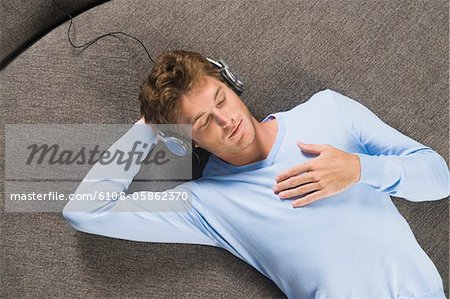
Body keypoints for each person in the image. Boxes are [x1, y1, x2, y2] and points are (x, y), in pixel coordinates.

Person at [63, 50, 449, 298]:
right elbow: (86, 211)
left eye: (222, 99)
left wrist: (360, 168)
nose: (226, 119)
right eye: (203, 121)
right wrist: (149, 126)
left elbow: (439, 177)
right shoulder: (206, 204)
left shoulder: (329, 111)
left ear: (232, 86)